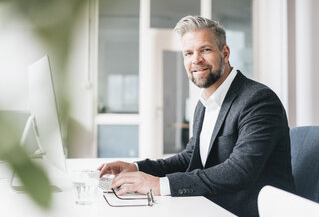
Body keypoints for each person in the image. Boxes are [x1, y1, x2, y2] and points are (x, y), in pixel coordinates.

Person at [98, 16, 295, 217]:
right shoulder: (204, 104)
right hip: (213, 204)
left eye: (205, 50)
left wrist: (160, 185)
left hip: (249, 210)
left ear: (225, 53)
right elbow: (191, 157)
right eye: (188, 53)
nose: (196, 60)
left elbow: (240, 171)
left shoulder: (258, 100)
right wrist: (137, 167)